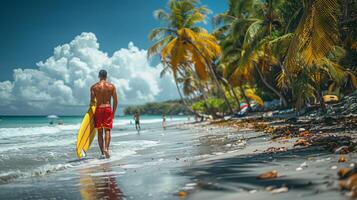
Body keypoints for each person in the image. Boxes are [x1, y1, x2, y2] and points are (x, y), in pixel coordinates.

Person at [90, 70, 118, 159]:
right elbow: (116, 101)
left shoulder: (93, 87)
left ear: (99, 76)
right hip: (107, 108)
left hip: (98, 109)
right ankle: (106, 149)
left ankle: (102, 153)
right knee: (107, 130)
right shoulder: (111, 86)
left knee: (99, 131)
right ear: (106, 76)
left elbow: (92, 102)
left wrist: (91, 115)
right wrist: (113, 112)